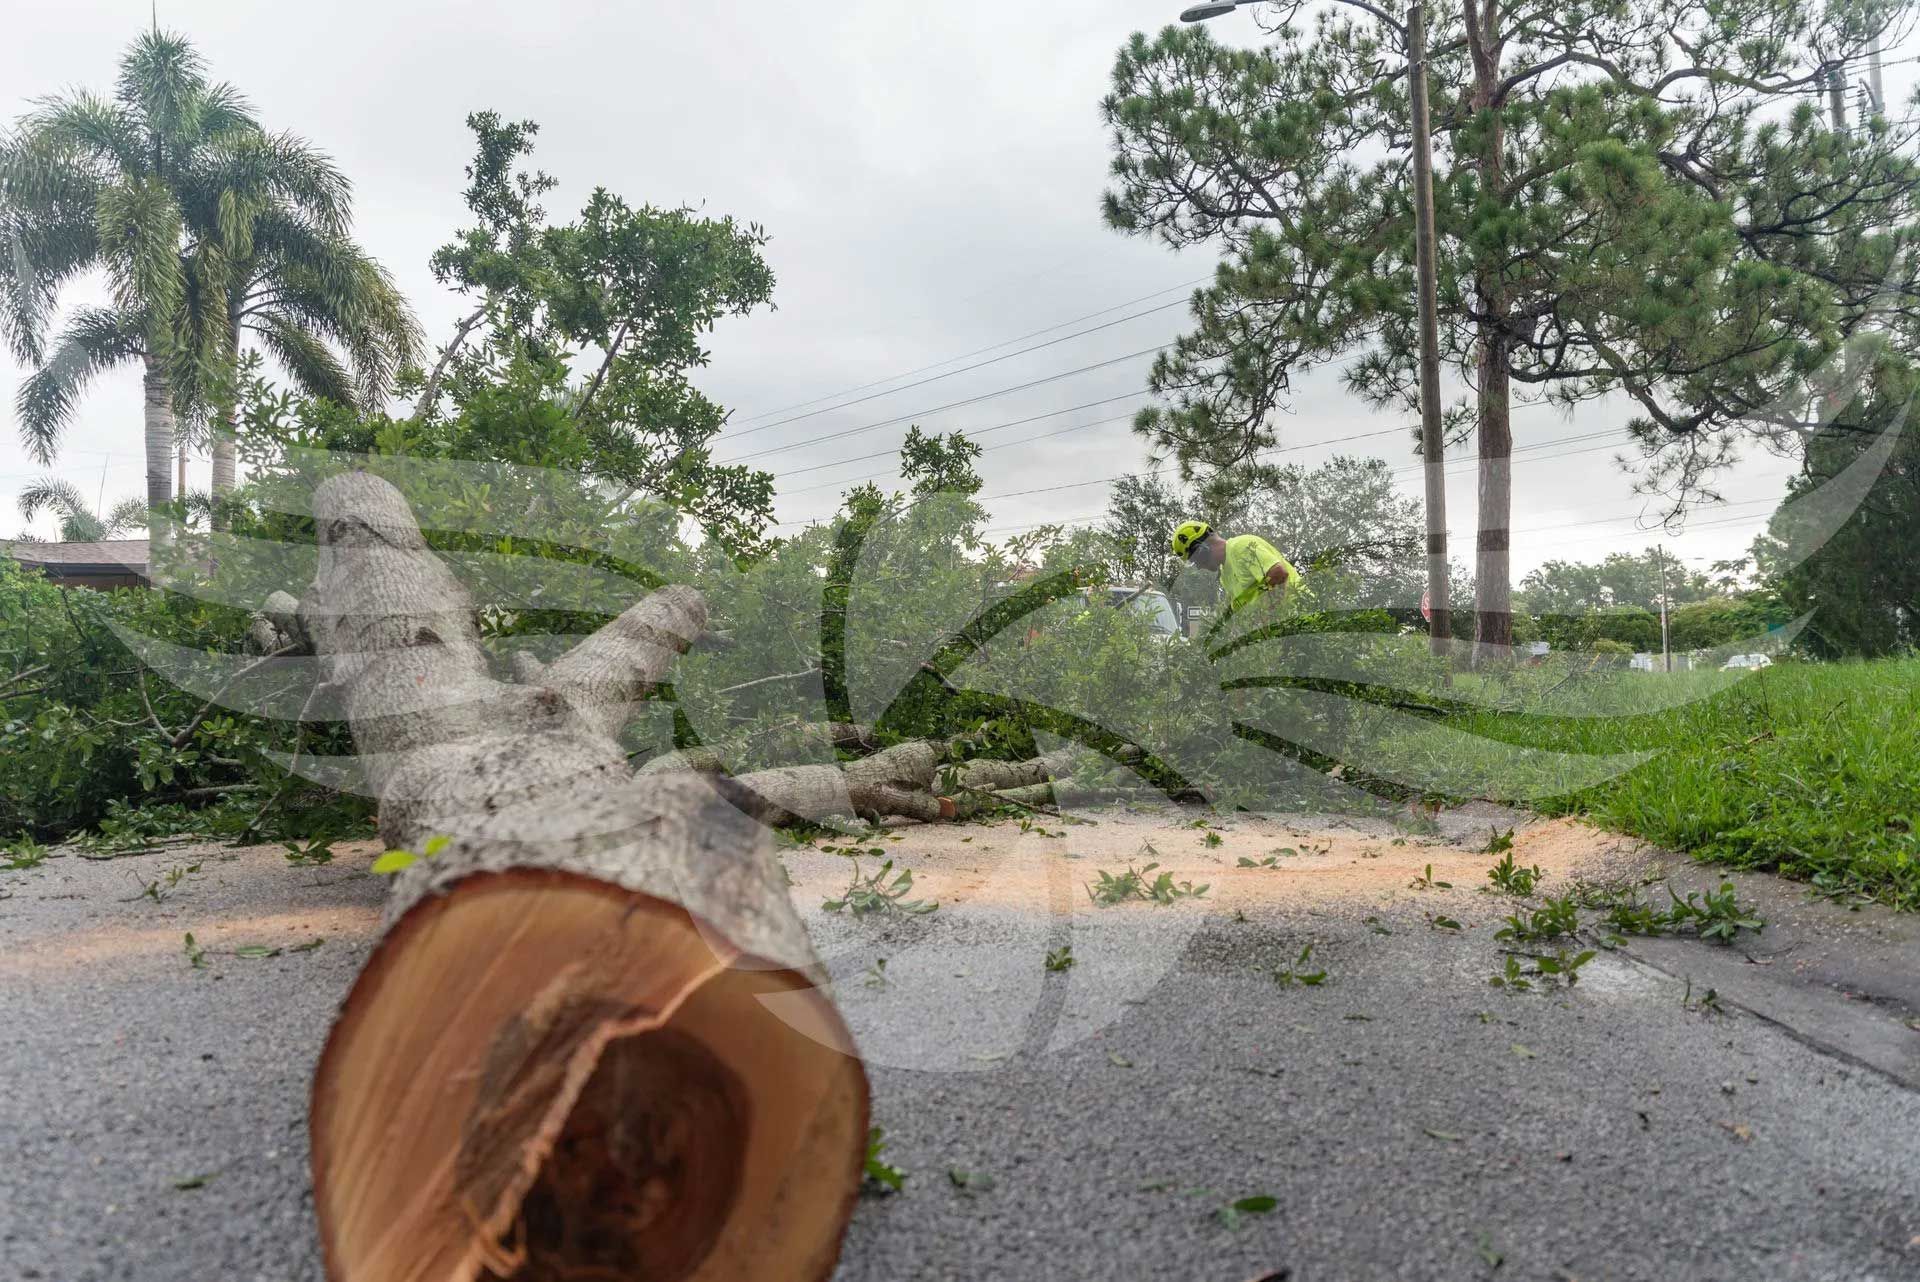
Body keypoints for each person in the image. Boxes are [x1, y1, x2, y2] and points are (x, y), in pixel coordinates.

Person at [1170, 520, 1297, 614]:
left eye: (1195, 560)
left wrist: (1264, 618)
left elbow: (1278, 574)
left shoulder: (1241, 546)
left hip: (1301, 612)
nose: (1198, 566)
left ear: (1202, 550)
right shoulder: (1225, 576)